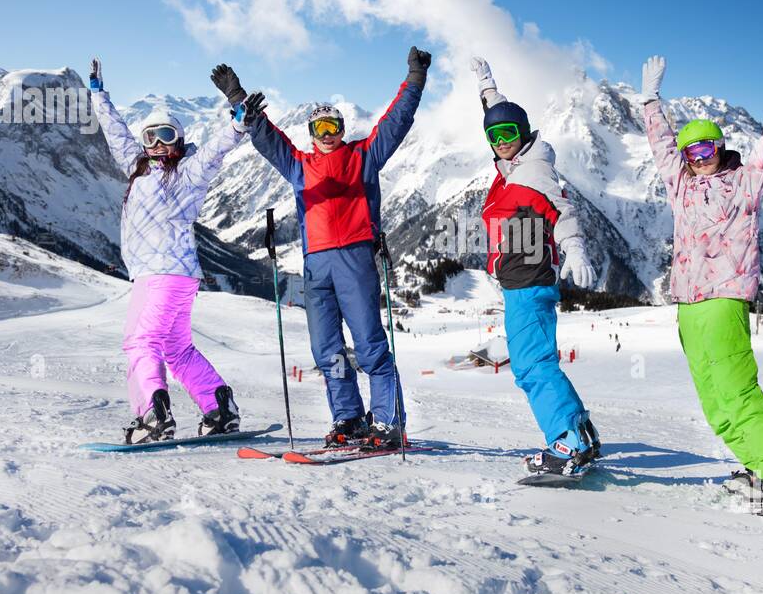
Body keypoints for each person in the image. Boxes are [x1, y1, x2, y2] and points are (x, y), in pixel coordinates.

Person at [212, 49, 430, 449]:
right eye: (320, 128)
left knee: (368, 345)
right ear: (311, 133)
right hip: (316, 267)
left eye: (333, 126)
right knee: (327, 349)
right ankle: (349, 418)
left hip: (355, 260)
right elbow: (266, 137)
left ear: (342, 129)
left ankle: (388, 421)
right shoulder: (299, 165)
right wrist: (238, 97)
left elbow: (396, 122)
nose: (327, 134)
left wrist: (414, 79)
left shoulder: (364, 156)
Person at [639, 42, 763, 508]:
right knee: (712, 397)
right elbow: (660, 148)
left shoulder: (746, 181)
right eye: (691, 150)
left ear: (720, 146)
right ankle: (759, 466)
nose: (699, 156)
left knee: (735, 386)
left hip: (724, 297)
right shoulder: (680, 184)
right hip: (688, 304)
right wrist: (651, 102)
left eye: (707, 146)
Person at [88, 58, 250, 444]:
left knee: (141, 342)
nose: (157, 144)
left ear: (177, 137)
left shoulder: (189, 170)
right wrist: (98, 96)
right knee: (176, 347)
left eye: (164, 135)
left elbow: (214, 151)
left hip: (159, 274)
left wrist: (238, 124)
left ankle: (151, 417)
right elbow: (116, 134)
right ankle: (219, 408)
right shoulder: (138, 166)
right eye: (149, 137)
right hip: (177, 276)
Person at [471, 56, 601, 476]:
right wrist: (488, 88)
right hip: (521, 280)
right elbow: (499, 116)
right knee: (537, 361)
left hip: (528, 281)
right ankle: (579, 431)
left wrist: (576, 247)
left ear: (524, 134)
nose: (502, 140)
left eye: (509, 133)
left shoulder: (532, 173)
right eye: (494, 135)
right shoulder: (515, 163)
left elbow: (561, 212)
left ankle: (566, 442)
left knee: (531, 366)